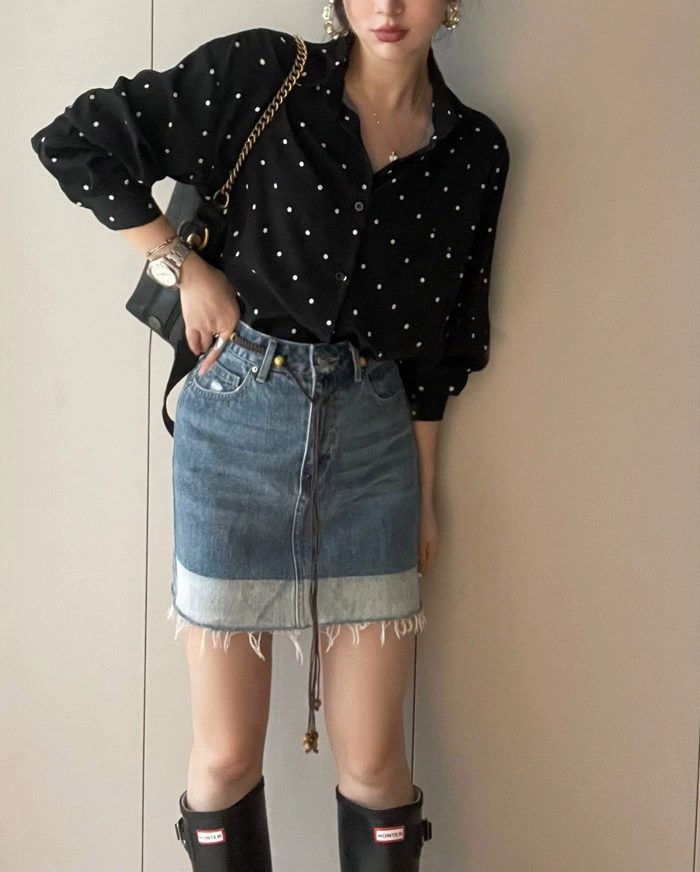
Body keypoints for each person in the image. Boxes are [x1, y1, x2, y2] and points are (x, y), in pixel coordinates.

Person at [30, 1, 511, 869]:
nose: (387, 7)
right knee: (223, 756)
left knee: (375, 761)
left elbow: (442, 351)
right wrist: (180, 267)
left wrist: (424, 493)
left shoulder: (473, 152)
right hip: (235, 434)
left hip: (375, 452)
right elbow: (77, 140)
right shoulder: (264, 77)